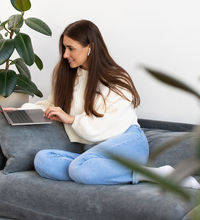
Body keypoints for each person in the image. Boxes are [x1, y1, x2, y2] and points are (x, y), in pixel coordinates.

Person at [7, 19, 200, 188]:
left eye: (71, 48)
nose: (65, 55)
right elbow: (51, 104)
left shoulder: (116, 78)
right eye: (64, 48)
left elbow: (109, 125)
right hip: (92, 152)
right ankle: (93, 170)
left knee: (81, 168)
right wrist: (19, 111)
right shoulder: (66, 74)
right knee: (43, 160)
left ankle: (157, 174)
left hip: (126, 142)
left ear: (90, 47)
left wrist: (72, 119)